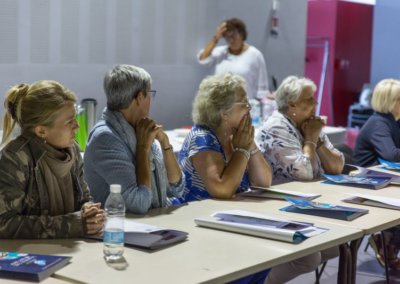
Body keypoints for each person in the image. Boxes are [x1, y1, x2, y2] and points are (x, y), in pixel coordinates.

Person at [179, 73, 324, 284]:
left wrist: (249, 146)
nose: (249, 107)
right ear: (224, 112)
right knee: (283, 255)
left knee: (307, 253)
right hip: (205, 223)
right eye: (244, 103)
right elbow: (222, 189)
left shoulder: (237, 135)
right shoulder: (202, 137)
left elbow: (263, 181)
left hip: (233, 219)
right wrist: (242, 151)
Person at [0, 80, 104, 238]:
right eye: (69, 121)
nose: (77, 126)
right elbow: (4, 223)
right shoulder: (15, 158)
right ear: (41, 131)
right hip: (33, 256)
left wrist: (89, 211)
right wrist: (71, 225)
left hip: (72, 249)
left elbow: (83, 199)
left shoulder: (73, 150)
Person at [84, 64, 184, 214]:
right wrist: (142, 149)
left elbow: (177, 188)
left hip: (155, 222)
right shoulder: (105, 138)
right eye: (150, 94)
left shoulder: (140, 129)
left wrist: (165, 144)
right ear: (139, 97)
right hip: (121, 231)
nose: (151, 100)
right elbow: (139, 203)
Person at [256, 75, 344, 185]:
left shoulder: (309, 124)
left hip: (310, 193)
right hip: (281, 198)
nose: (315, 103)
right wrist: (311, 140)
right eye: (309, 99)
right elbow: (304, 174)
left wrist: (319, 143)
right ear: (292, 105)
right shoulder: (276, 127)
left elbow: (337, 168)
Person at [353, 79, 400, 270]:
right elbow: (392, 155)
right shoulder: (379, 123)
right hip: (368, 181)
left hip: (386, 179)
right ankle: (387, 241)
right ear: (390, 102)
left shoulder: (394, 122)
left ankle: (389, 241)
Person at [197, 18, 276, 118]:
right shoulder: (220, 52)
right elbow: (202, 59)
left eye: (233, 36)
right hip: (220, 108)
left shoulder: (255, 55)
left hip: (244, 110)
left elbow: (262, 90)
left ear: (242, 34)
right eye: (227, 37)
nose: (231, 40)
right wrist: (216, 38)